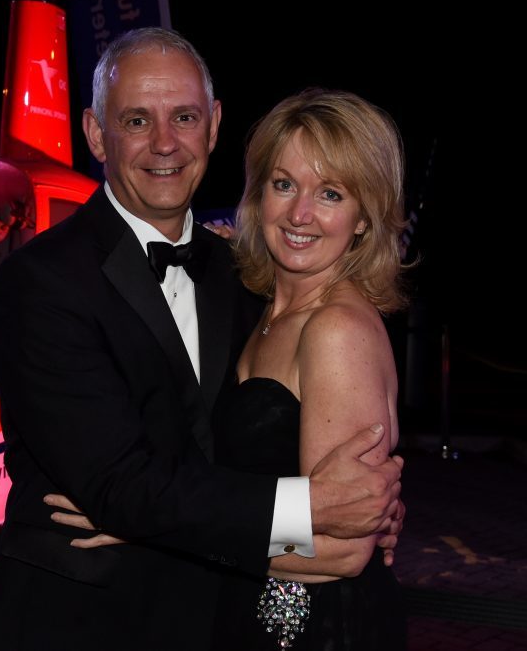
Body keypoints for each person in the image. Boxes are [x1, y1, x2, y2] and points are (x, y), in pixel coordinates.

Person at [0, 28, 403, 651]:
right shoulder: (41, 283)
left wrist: (372, 505)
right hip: (79, 626)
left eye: (184, 117)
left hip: (225, 622)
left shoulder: (245, 278)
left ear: (214, 125)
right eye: (138, 120)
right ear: (96, 133)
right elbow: (119, 487)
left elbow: (287, 464)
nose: (166, 143)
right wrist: (313, 511)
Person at [211, 88, 409, 649]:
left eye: (330, 193)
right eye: (283, 184)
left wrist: (172, 530)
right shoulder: (264, 310)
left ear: (365, 218)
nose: (300, 214)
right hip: (245, 611)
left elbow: (344, 547)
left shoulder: (336, 329)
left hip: (314, 629)